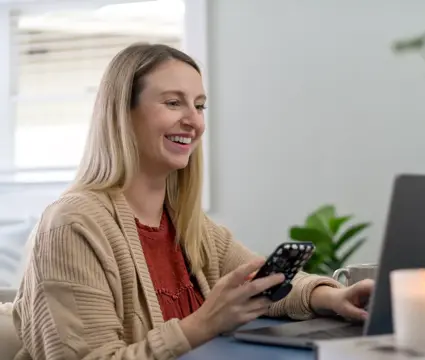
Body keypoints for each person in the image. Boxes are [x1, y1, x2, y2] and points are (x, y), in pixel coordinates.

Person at [11, 43, 374, 360]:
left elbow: (262, 284)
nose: (194, 122)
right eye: (173, 103)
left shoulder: (186, 225)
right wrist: (203, 324)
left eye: (199, 106)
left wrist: (331, 296)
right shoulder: (72, 225)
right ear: (123, 113)